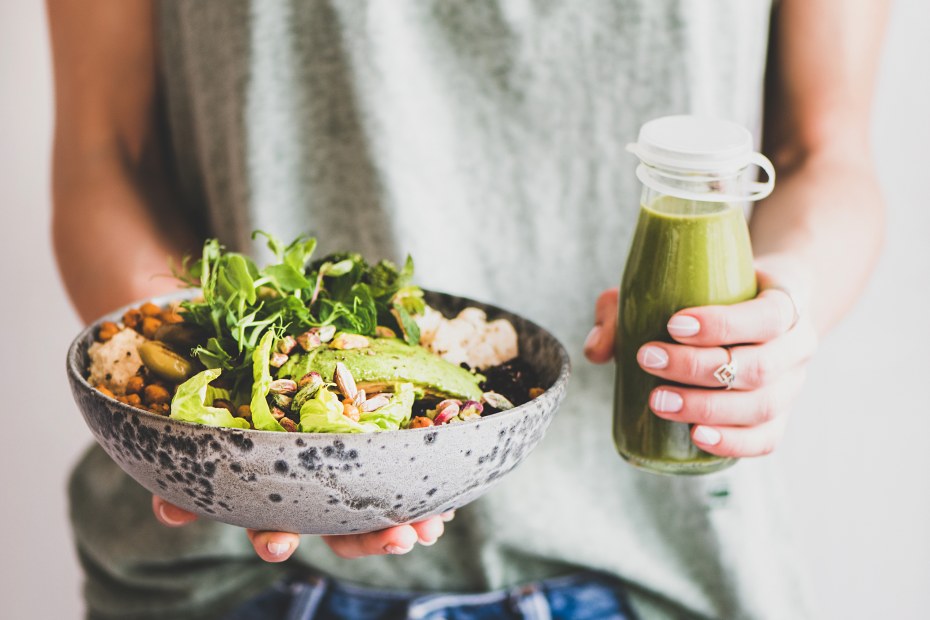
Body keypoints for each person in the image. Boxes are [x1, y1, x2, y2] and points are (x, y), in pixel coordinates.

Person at [48, 0, 888, 618]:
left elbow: (823, 151)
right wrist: (184, 397)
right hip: (231, 574)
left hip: (657, 568)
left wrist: (784, 306)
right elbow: (104, 151)